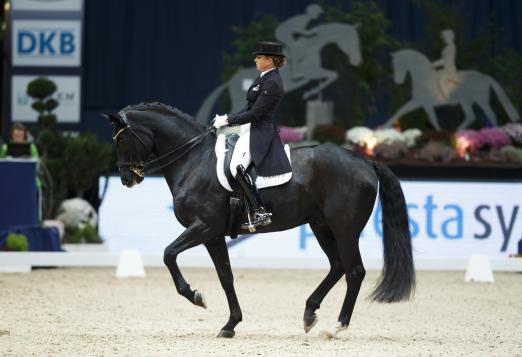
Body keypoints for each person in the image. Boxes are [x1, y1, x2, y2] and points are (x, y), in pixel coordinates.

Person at [213, 41, 292, 230]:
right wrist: (228, 118)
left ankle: (259, 210)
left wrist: (228, 120)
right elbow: (248, 108)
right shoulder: (263, 78)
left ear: (269, 60)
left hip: (259, 130)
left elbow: (256, 114)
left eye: (259, 57)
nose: (255, 59)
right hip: (249, 128)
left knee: (236, 167)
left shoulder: (273, 83)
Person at [275, 4, 323, 79]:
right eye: (317, 13)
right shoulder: (304, 18)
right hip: (282, 33)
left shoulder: (306, 19)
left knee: (296, 45)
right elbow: (296, 29)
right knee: (294, 48)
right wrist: (309, 33)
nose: (318, 15)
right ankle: (295, 73)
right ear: (312, 12)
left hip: (287, 33)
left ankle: (287, 55)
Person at [432, 29, 459, 99]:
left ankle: (447, 97)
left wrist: (434, 64)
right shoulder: (447, 47)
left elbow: (446, 61)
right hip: (445, 68)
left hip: (449, 69)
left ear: (449, 37)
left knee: (441, 80)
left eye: (444, 37)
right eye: (443, 38)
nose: (443, 39)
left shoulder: (451, 47)